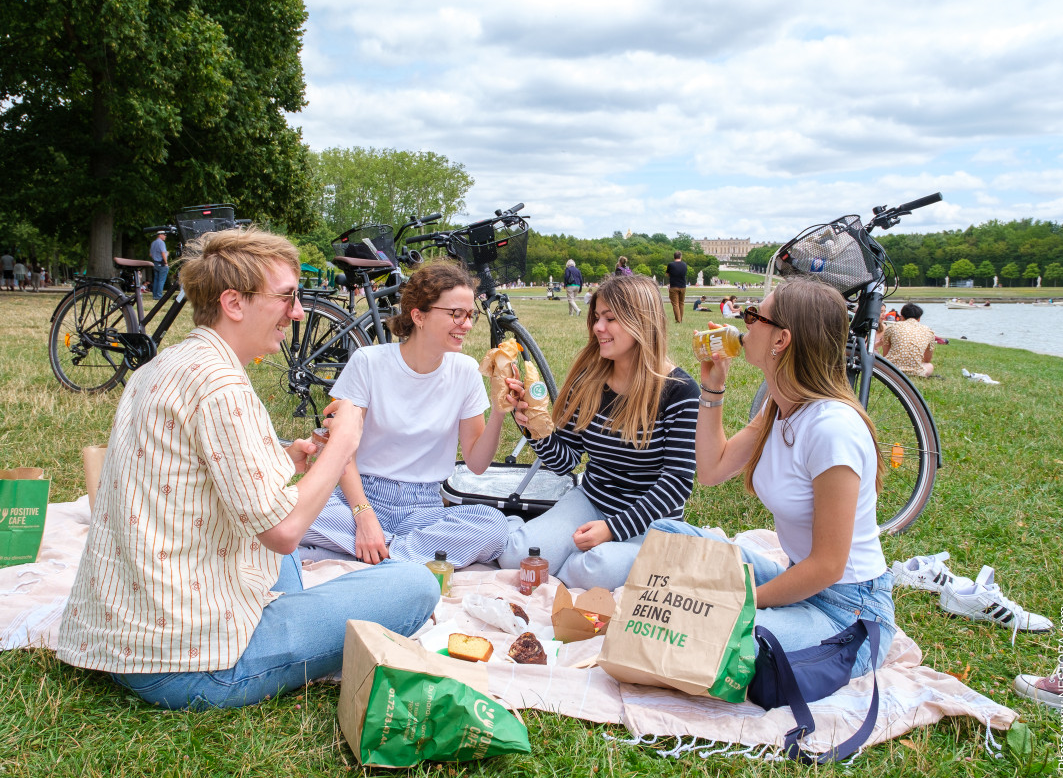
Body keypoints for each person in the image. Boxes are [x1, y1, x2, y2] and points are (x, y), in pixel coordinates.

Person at [57, 227, 439, 710]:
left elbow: (192, 478)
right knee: (414, 584)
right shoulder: (223, 388)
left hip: (120, 636)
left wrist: (286, 460)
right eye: (286, 298)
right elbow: (283, 532)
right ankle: (288, 633)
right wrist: (345, 443)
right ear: (234, 303)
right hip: (190, 665)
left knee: (285, 558)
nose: (297, 313)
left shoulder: (165, 364)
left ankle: (294, 617)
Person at [652, 278, 895, 679]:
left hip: (848, 611)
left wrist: (744, 599)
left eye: (753, 316)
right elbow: (712, 470)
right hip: (795, 581)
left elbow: (828, 566)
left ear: (781, 339)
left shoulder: (833, 428)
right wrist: (713, 386)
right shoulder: (777, 406)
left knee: (703, 631)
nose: (742, 324)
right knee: (664, 533)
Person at [300, 261, 514, 568]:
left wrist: (500, 410)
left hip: (424, 508)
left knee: (493, 526)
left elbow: (477, 464)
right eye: (456, 314)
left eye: (470, 315)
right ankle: (404, 557)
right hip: (362, 494)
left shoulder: (465, 371)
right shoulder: (368, 362)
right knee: (289, 511)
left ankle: (370, 554)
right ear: (418, 315)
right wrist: (363, 515)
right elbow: (340, 451)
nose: (466, 324)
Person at [497, 274, 699, 590]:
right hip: (592, 500)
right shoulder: (590, 382)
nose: (597, 328)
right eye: (596, 318)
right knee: (520, 558)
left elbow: (677, 482)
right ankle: (517, 532)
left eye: (610, 318)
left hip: (651, 520)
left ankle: (572, 563)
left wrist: (612, 529)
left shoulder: (680, 391)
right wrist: (534, 427)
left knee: (597, 569)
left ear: (641, 322)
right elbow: (564, 463)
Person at [879, 303, 937, 377]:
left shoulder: (892, 327)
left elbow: (885, 354)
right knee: (929, 366)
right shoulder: (929, 331)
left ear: (902, 317)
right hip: (916, 372)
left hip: (891, 370)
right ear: (919, 319)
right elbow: (927, 359)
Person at [665, 251, 688, 323]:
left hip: (674, 286)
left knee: (675, 304)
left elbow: (667, 274)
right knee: (681, 303)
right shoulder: (684, 264)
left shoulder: (671, 265)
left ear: (674, 257)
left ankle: (678, 320)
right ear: (681, 257)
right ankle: (680, 318)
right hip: (683, 286)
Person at [150, 231, 169, 300]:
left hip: (155, 263)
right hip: (162, 263)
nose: (165, 236)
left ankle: (154, 295)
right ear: (160, 235)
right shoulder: (161, 242)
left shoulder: (153, 243)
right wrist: (166, 262)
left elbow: (151, 254)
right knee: (161, 280)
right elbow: (163, 253)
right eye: (164, 235)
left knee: (156, 280)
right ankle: (159, 295)